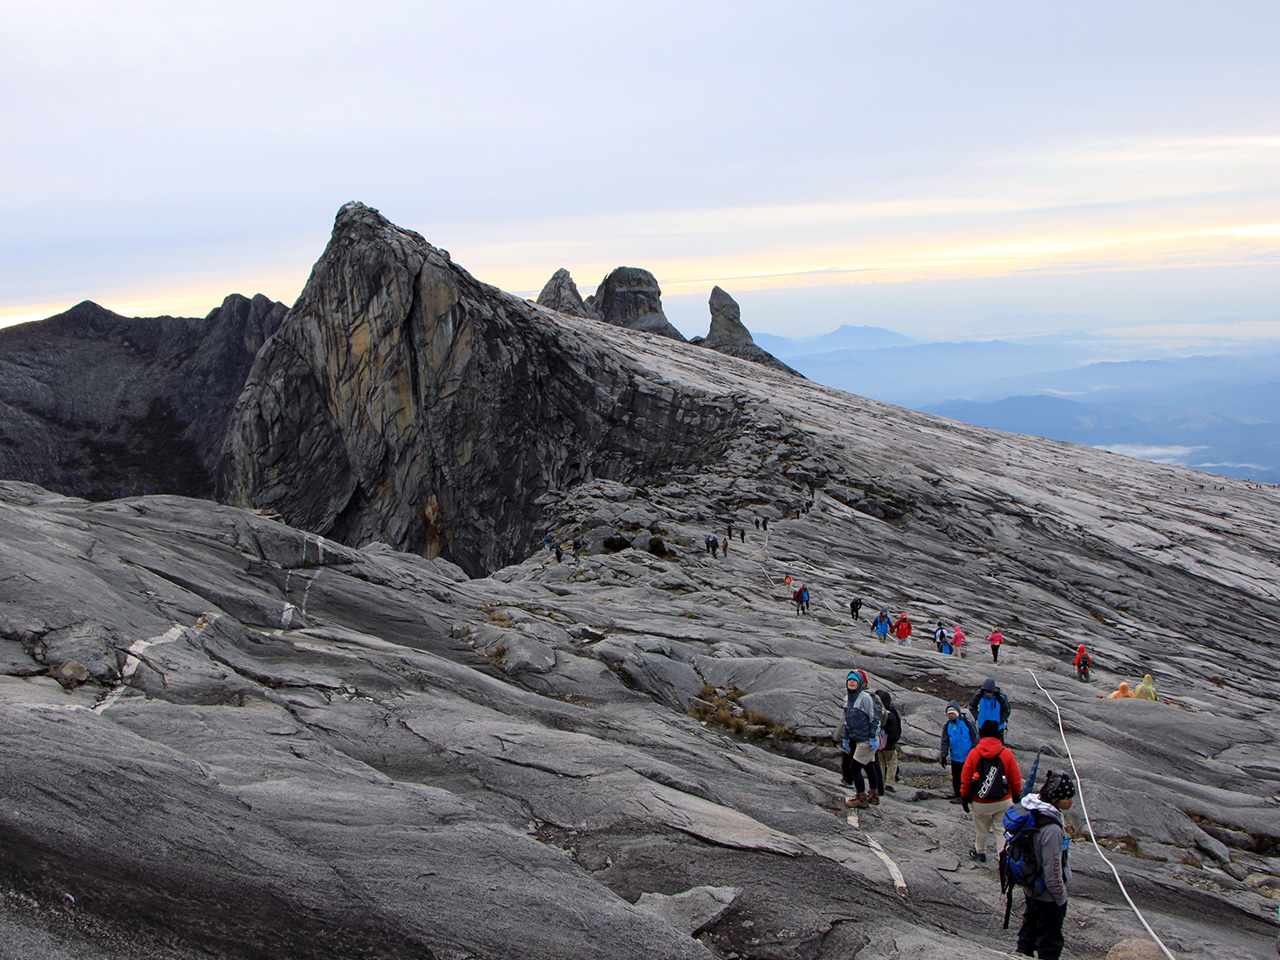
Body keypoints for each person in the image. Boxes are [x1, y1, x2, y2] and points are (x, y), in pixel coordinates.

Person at [1013, 771, 1076, 960]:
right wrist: (1060, 897)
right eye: (1067, 798)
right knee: (1050, 942)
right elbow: (1053, 868)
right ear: (1055, 799)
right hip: (1048, 895)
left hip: (1032, 887)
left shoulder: (1035, 811)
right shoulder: (1052, 829)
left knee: (1029, 932)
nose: (1071, 802)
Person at [961, 720, 1022, 863]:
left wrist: (964, 796)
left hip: (980, 801)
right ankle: (1003, 858)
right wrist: (1016, 795)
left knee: (981, 829)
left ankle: (980, 852)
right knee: (1001, 830)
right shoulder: (1006, 753)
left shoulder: (974, 754)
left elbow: (966, 778)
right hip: (1003, 800)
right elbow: (1015, 778)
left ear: (981, 733)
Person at [840, 670, 883, 808]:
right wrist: (846, 739)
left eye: (854, 680)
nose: (851, 682)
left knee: (854, 768)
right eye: (850, 680)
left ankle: (861, 797)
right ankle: (874, 796)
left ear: (860, 683)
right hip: (857, 739)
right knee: (869, 766)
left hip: (866, 740)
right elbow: (847, 721)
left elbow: (874, 718)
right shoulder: (847, 699)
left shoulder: (865, 698)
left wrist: (873, 737)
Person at [938, 703, 979, 803]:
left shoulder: (967, 722)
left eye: (952, 713)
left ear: (957, 713)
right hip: (955, 756)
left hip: (968, 756)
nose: (951, 715)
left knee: (969, 777)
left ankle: (970, 795)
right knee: (956, 778)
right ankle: (958, 795)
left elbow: (975, 738)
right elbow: (945, 741)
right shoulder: (947, 726)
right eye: (949, 713)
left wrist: (975, 753)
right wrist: (943, 755)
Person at [875, 690, 902, 793]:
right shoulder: (891, 713)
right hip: (889, 744)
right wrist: (895, 739)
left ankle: (880, 782)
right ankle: (889, 783)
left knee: (881, 762)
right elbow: (896, 729)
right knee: (892, 762)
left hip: (878, 743)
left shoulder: (876, 712)